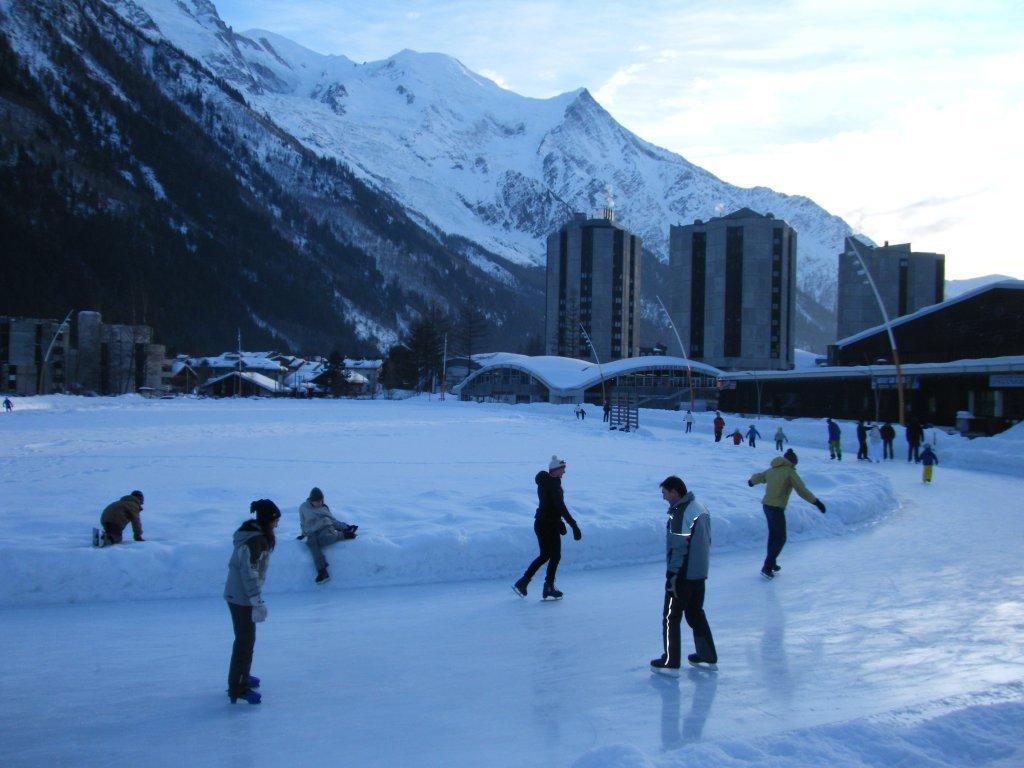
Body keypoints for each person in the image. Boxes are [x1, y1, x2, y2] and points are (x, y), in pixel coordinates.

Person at [650, 475, 716, 674]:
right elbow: (707, 540)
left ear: (675, 491)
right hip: (699, 572)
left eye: (665, 493)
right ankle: (707, 655)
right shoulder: (700, 507)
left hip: (683, 574)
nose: (664, 498)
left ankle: (671, 659)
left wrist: (672, 575)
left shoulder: (681, 512)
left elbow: (679, 547)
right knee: (695, 613)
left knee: (671, 616)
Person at [224, 499, 280, 705]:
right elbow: (248, 573)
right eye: (275, 520)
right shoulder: (255, 541)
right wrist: (256, 601)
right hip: (242, 598)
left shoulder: (252, 535)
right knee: (244, 642)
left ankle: (242, 676)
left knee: (246, 640)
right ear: (267, 520)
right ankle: (238, 687)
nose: (276, 525)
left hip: (239, 596)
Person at [748, 449, 826, 579]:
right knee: (780, 538)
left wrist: (751, 481)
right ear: (792, 462)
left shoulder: (773, 469)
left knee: (774, 536)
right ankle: (767, 567)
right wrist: (816, 502)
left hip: (766, 506)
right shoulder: (789, 472)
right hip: (776, 508)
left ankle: (772, 563)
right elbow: (802, 490)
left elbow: (760, 476)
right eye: (795, 464)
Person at [513, 456, 582, 600]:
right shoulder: (553, 485)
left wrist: (559, 521)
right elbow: (560, 507)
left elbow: (550, 506)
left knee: (546, 555)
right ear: (556, 470)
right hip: (548, 525)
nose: (564, 472)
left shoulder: (546, 482)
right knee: (554, 556)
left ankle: (524, 582)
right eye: (563, 469)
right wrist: (573, 525)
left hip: (542, 523)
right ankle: (547, 586)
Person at [298, 487, 358, 584]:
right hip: (311, 531)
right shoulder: (303, 508)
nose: (319, 503)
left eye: (321, 501)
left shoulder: (323, 508)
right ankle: (322, 571)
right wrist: (303, 534)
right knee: (311, 543)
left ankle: (342, 535)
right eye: (317, 501)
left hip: (325, 528)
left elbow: (332, 521)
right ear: (311, 500)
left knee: (325, 539)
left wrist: (346, 527)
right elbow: (302, 522)